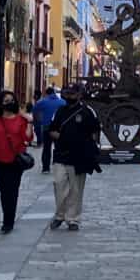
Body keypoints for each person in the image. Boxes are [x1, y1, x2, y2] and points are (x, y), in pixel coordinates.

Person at [47, 85, 100, 231]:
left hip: (79, 157)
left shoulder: (88, 112)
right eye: (67, 93)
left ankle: (73, 219)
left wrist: (87, 146)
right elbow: (52, 129)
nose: (70, 96)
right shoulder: (60, 111)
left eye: (73, 93)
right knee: (59, 184)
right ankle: (60, 214)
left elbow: (95, 132)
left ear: (79, 95)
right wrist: (63, 138)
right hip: (60, 154)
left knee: (76, 189)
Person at [0, 91, 32, 234]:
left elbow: (28, 138)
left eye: (11, 100)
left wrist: (29, 122)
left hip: (16, 161)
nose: (9, 102)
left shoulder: (20, 120)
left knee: (13, 191)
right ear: (0, 103)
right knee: (3, 191)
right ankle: (7, 216)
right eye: (6, 100)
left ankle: (8, 221)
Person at [32, 87, 66, 173]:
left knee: (46, 148)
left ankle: (46, 168)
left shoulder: (42, 102)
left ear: (46, 94)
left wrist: (39, 120)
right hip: (59, 129)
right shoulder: (62, 102)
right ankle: (58, 164)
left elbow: (34, 111)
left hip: (47, 127)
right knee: (59, 147)